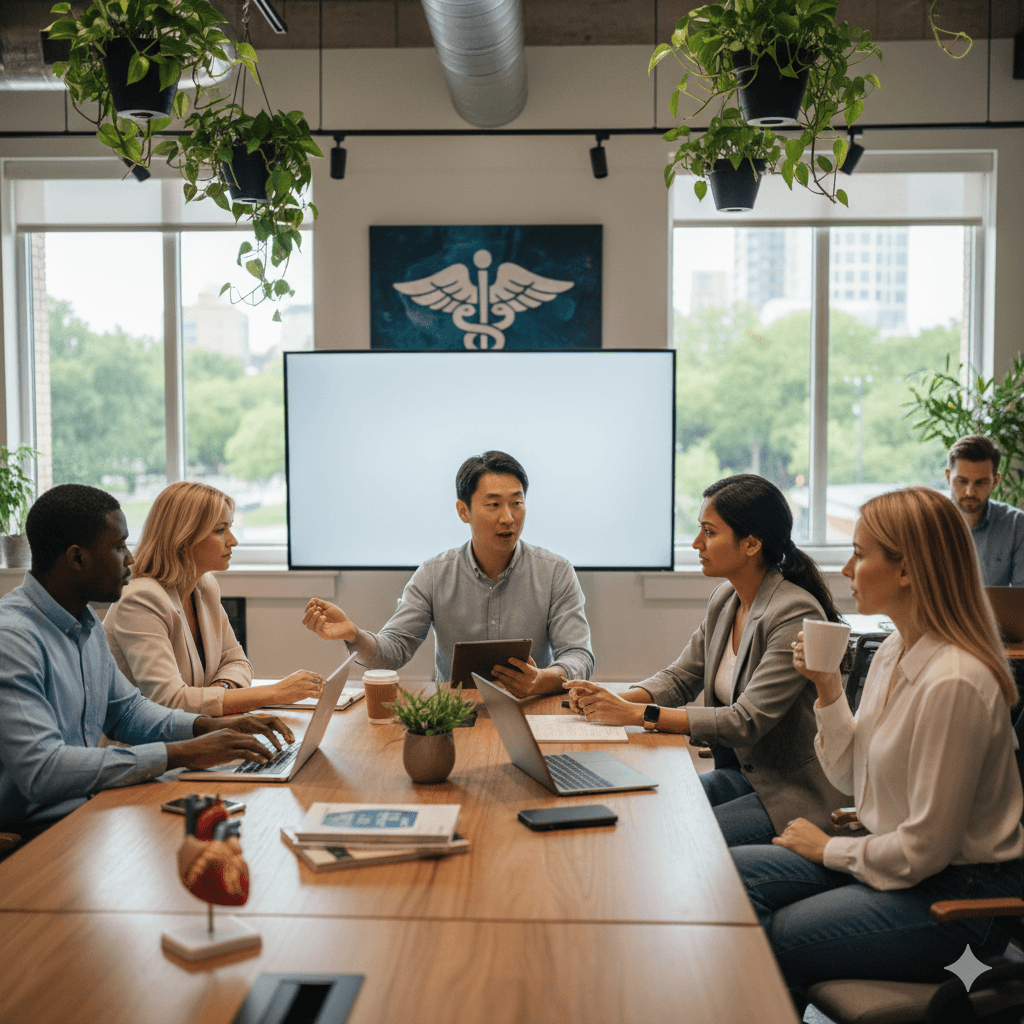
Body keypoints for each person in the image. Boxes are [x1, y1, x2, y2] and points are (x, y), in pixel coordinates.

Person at [733, 486, 1023, 991]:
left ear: (907, 570)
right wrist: (825, 685)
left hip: (957, 898)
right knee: (728, 876)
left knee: (770, 937)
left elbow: (925, 850)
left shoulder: (954, 680)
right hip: (891, 860)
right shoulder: (894, 649)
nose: (846, 569)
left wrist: (827, 850)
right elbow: (848, 775)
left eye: (860, 554)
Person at [0, 484, 295, 844]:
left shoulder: (84, 624)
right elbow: (43, 771)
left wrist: (209, 728)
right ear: (77, 558)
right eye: (119, 546)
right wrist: (179, 752)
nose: (130, 560)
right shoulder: (13, 639)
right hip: (34, 834)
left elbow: (127, 713)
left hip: (90, 810)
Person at [564, 474, 848, 847]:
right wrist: (608, 701)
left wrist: (636, 715)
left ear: (751, 543)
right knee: (648, 818)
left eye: (709, 532)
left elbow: (745, 721)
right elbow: (682, 677)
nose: (697, 543)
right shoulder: (726, 598)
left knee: (682, 841)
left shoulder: (792, 611)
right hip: (746, 775)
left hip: (793, 791)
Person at [302, 450, 594, 697]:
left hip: (532, 706)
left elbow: (578, 655)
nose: (508, 518)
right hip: (454, 714)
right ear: (463, 511)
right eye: (493, 505)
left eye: (517, 503)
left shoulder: (555, 572)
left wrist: (544, 679)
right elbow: (392, 652)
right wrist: (353, 634)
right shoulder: (434, 574)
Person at [104, 481, 324, 715]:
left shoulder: (205, 585)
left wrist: (221, 690)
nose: (233, 540)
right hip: (146, 748)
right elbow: (169, 701)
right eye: (220, 530)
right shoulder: (140, 599)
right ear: (184, 538)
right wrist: (275, 692)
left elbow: (237, 662)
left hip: (199, 735)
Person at [946, 434, 1024, 586]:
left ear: (995, 482)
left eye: (980, 483)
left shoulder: (1017, 525)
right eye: (961, 481)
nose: (969, 492)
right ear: (948, 477)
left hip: (996, 610)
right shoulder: (924, 521)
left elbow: (1021, 598)